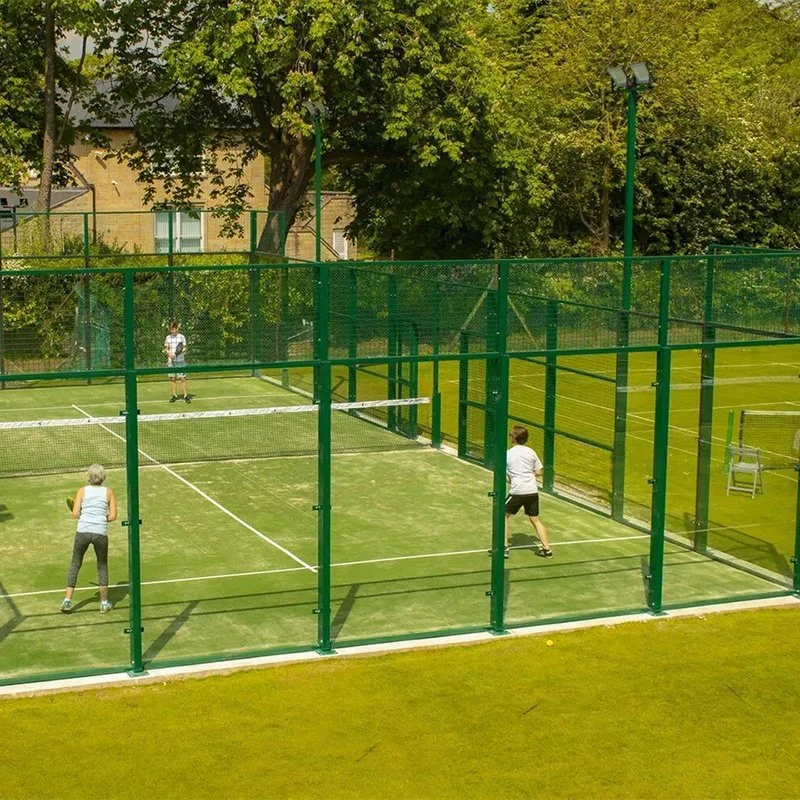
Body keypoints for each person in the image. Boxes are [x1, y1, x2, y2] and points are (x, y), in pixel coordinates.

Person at [60, 464, 118, 614]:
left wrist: (86, 516)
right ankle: (104, 603)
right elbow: (112, 517)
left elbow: (75, 514)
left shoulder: (82, 491)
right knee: (102, 566)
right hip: (100, 532)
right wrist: (100, 518)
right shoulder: (109, 492)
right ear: (103, 477)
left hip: (83, 531)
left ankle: (67, 601)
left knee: (75, 564)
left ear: (89, 477)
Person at [505, 425, 552, 559]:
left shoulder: (508, 454)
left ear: (514, 438)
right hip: (532, 491)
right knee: (535, 519)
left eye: (511, 435)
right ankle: (547, 549)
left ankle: (504, 547)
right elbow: (539, 472)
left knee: (503, 516)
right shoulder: (531, 452)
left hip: (517, 491)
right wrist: (527, 474)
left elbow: (505, 472)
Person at [164, 320, 190, 403]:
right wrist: (169, 354)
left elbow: (185, 348)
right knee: (173, 378)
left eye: (173, 329)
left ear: (176, 328)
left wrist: (180, 352)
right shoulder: (168, 337)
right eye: (171, 329)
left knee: (183, 378)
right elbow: (166, 349)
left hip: (180, 360)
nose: (172, 330)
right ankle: (174, 395)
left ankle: (185, 396)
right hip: (171, 361)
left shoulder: (181, 337)